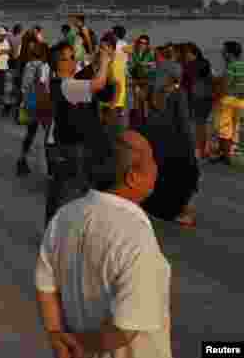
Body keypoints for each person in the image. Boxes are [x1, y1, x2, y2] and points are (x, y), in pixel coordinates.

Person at [35, 128, 171, 358]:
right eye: (152, 159)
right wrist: (79, 343)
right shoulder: (136, 237)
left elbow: (45, 286)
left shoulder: (64, 216)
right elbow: (126, 328)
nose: (157, 166)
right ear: (133, 176)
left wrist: (57, 336)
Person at [45, 41, 111, 226]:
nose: (75, 60)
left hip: (65, 145)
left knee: (61, 192)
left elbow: (87, 78)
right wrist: (105, 61)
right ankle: (59, 236)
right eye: (72, 57)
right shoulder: (67, 86)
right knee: (69, 194)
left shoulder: (63, 83)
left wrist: (97, 62)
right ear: (61, 63)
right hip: (71, 148)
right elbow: (98, 84)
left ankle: (53, 233)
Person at [140, 62, 199, 228]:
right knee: (176, 177)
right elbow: (183, 122)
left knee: (177, 177)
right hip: (170, 144)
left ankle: (181, 212)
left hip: (169, 144)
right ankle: (174, 210)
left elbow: (182, 122)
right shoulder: (169, 93)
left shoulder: (168, 94)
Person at [16, 41, 51, 177]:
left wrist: (24, 102)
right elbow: (47, 87)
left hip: (31, 104)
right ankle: (50, 168)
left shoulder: (28, 65)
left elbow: (24, 86)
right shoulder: (46, 66)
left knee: (30, 133)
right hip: (44, 104)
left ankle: (22, 159)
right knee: (49, 136)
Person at [212, 40, 244, 163]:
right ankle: (231, 154)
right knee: (236, 128)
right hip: (241, 101)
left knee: (224, 129)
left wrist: (216, 95)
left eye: (224, 51)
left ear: (229, 53)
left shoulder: (231, 66)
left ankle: (226, 156)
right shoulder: (242, 64)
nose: (222, 53)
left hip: (229, 100)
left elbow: (226, 85)